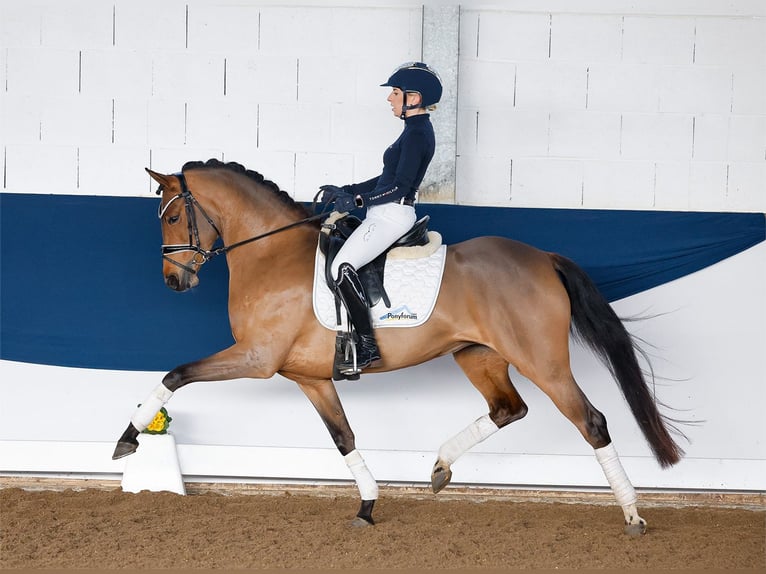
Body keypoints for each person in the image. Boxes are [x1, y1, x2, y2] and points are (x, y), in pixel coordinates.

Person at [320, 61, 442, 375]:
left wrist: (358, 200)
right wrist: (348, 190)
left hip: (392, 214)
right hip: (385, 211)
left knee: (341, 267)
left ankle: (366, 346)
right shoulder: (411, 131)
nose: (390, 99)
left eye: (396, 93)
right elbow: (386, 179)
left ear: (414, 98)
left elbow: (399, 187)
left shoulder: (417, 134)